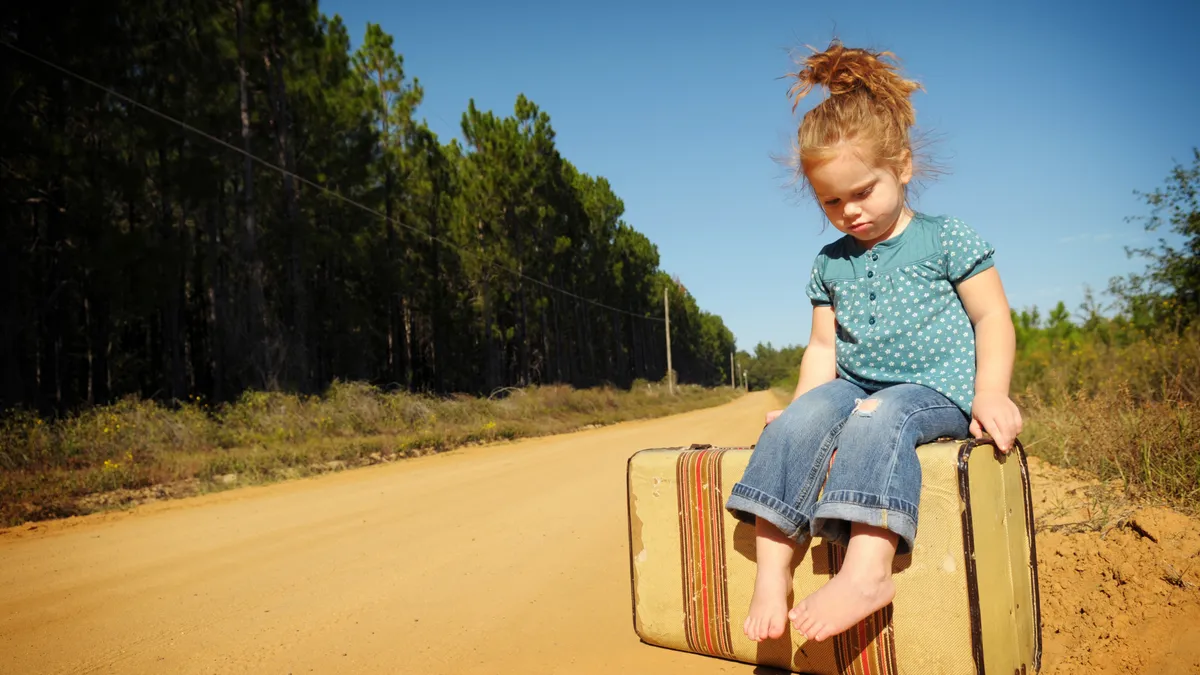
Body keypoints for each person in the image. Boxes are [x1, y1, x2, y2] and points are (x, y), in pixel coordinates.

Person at [724, 40, 1023, 644]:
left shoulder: (946, 239)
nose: (850, 212)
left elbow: (992, 316)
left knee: (876, 413)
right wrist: (805, 402)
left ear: (903, 167)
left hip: (931, 390)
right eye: (831, 201)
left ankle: (867, 572)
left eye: (863, 192)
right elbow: (822, 349)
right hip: (853, 382)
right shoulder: (829, 263)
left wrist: (992, 392)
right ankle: (774, 571)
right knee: (795, 423)